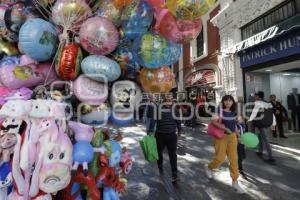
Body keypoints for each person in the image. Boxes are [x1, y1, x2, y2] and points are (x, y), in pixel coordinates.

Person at [205, 95, 245, 194]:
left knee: (234, 159)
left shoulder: (233, 113)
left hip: (232, 137)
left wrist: (239, 135)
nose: (228, 102)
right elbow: (213, 122)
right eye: (226, 100)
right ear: (223, 102)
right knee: (220, 158)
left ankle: (235, 182)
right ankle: (209, 167)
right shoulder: (219, 111)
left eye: (230, 100)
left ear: (232, 102)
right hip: (221, 137)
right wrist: (224, 128)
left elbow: (235, 125)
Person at [155, 97, 181, 183]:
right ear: (164, 101)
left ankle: (174, 174)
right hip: (160, 135)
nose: (168, 102)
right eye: (167, 101)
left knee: (173, 155)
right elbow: (154, 120)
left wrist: (180, 130)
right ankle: (160, 163)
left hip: (171, 135)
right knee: (159, 152)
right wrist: (150, 131)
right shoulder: (158, 108)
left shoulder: (175, 109)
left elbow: (178, 121)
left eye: (170, 101)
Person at [248, 91, 276, 164]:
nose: (255, 97)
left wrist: (249, 120)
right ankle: (260, 151)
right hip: (266, 123)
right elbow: (272, 114)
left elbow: (254, 113)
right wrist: (273, 124)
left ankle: (271, 157)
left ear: (259, 97)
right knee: (260, 137)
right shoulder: (268, 103)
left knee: (266, 140)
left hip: (261, 124)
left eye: (256, 96)